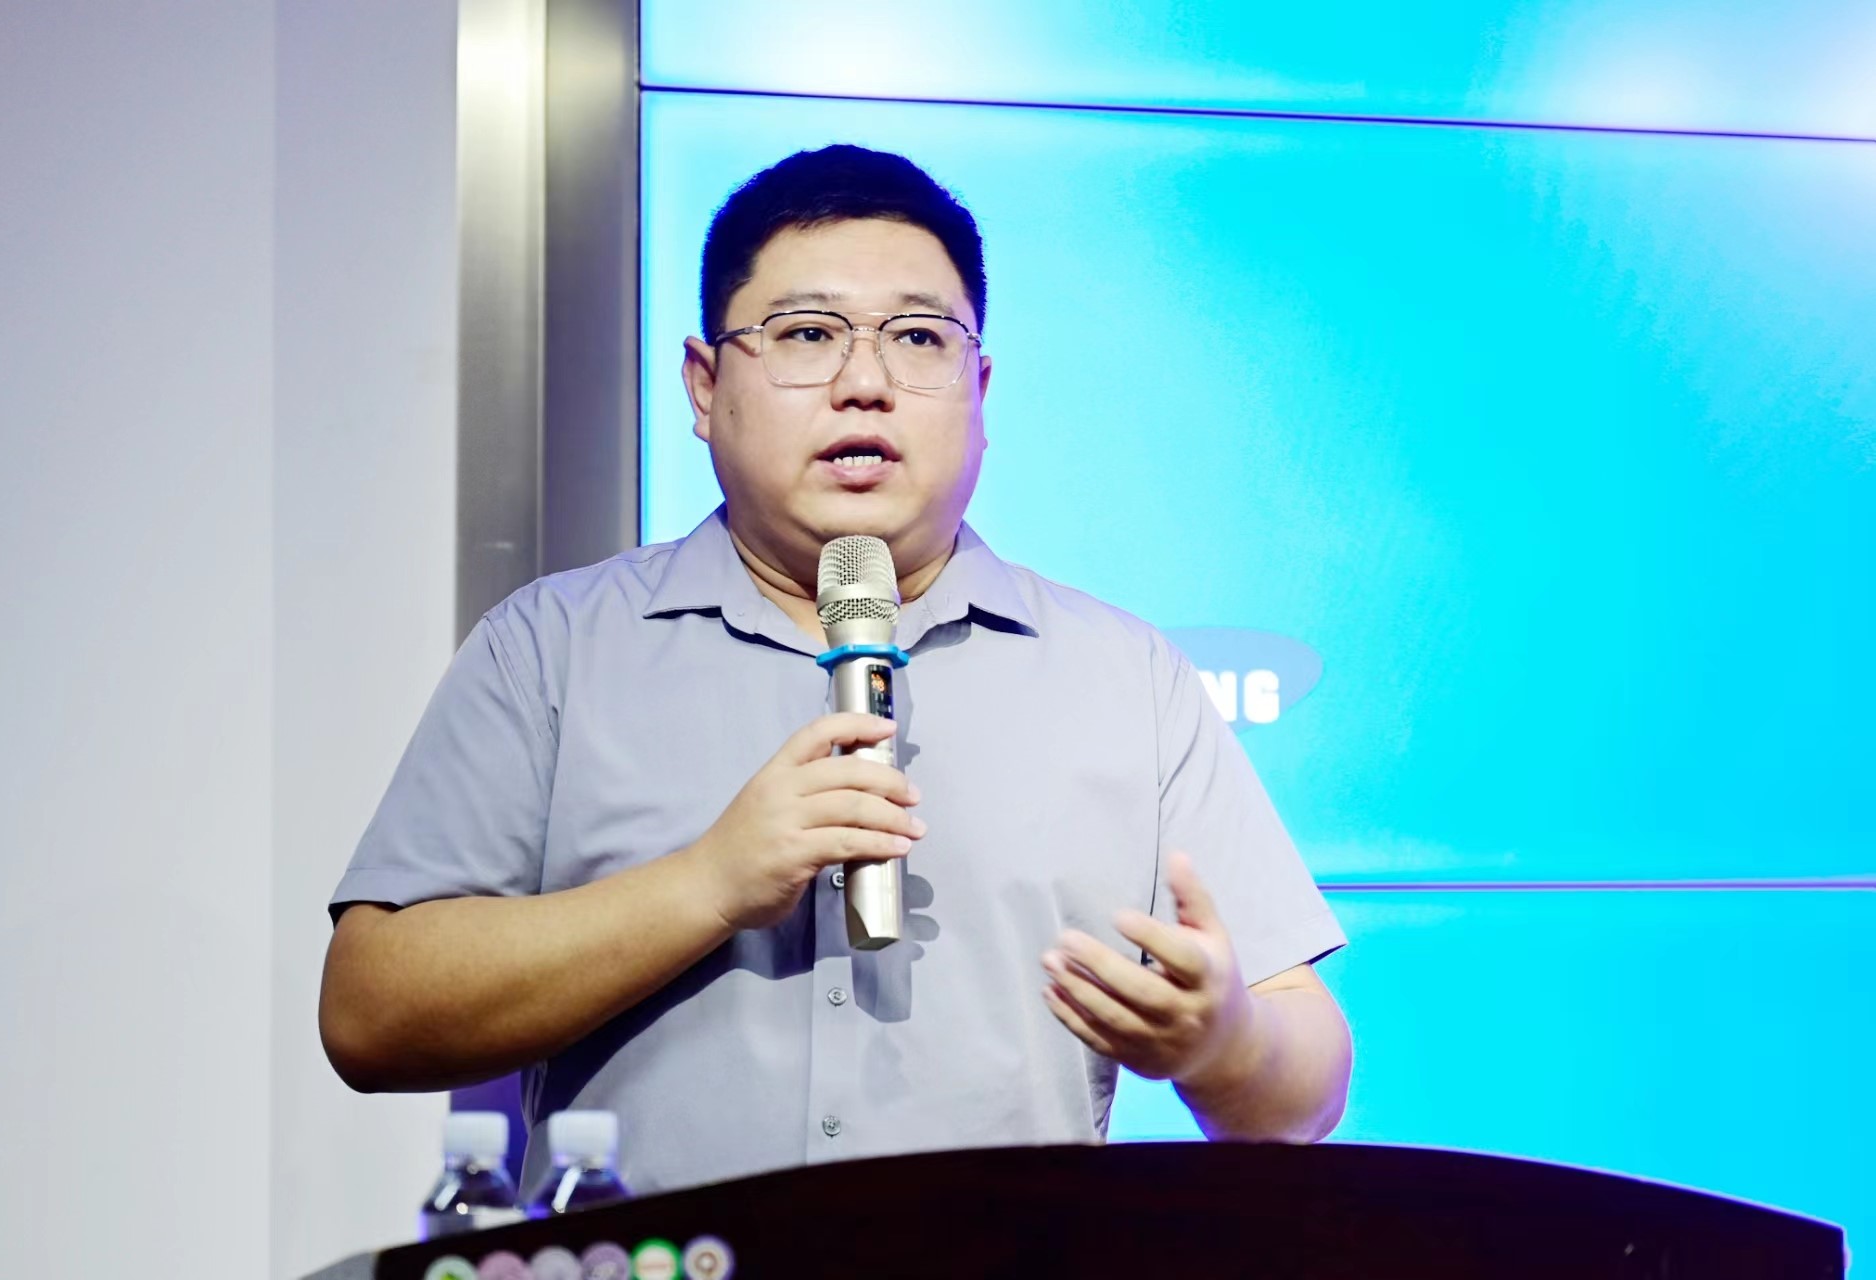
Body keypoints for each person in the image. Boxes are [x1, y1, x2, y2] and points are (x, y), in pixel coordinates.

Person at [320, 145, 1353, 1197]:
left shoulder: (1125, 678)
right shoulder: (552, 647)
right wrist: (706, 883)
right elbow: (370, 1015)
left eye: (918, 338)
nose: (866, 384)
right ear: (704, 386)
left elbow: (1307, 1088)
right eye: (808, 334)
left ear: (979, 390)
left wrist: (1223, 1043)